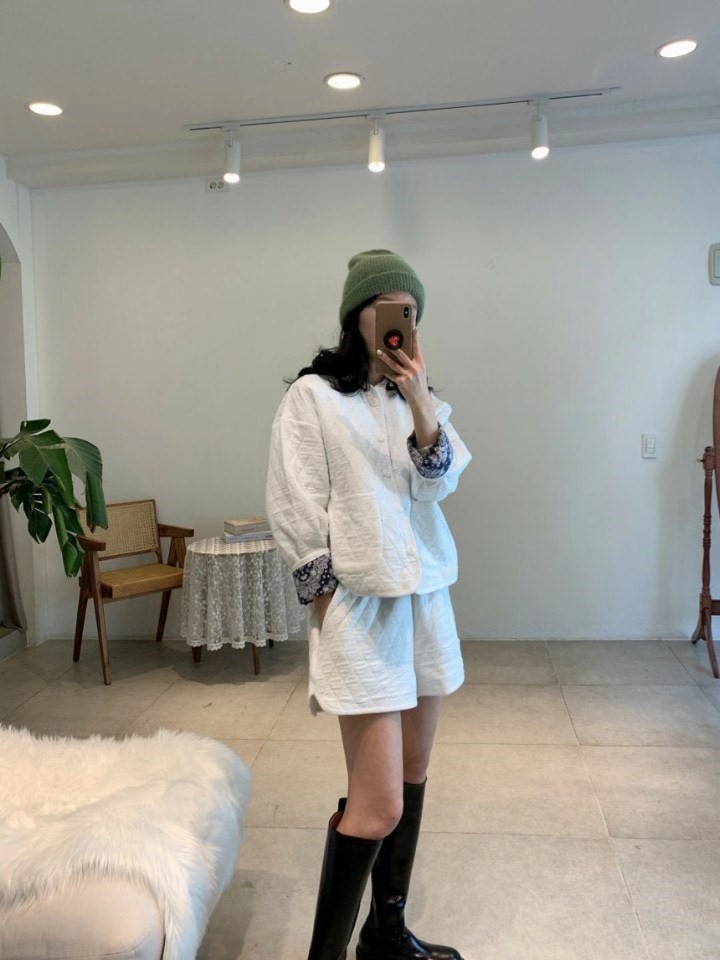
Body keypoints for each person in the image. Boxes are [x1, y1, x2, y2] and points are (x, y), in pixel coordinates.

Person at [266, 250, 472, 960]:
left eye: (408, 311)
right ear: (356, 317)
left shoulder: (422, 403)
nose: (395, 321)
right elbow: (294, 506)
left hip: (425, 605)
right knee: (377, 804)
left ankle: (385, 935)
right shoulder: (314, 397)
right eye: (382, 308)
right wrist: (325, 605)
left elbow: (439, 482)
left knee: (412, 779)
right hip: (360, 611)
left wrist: (420, 403)